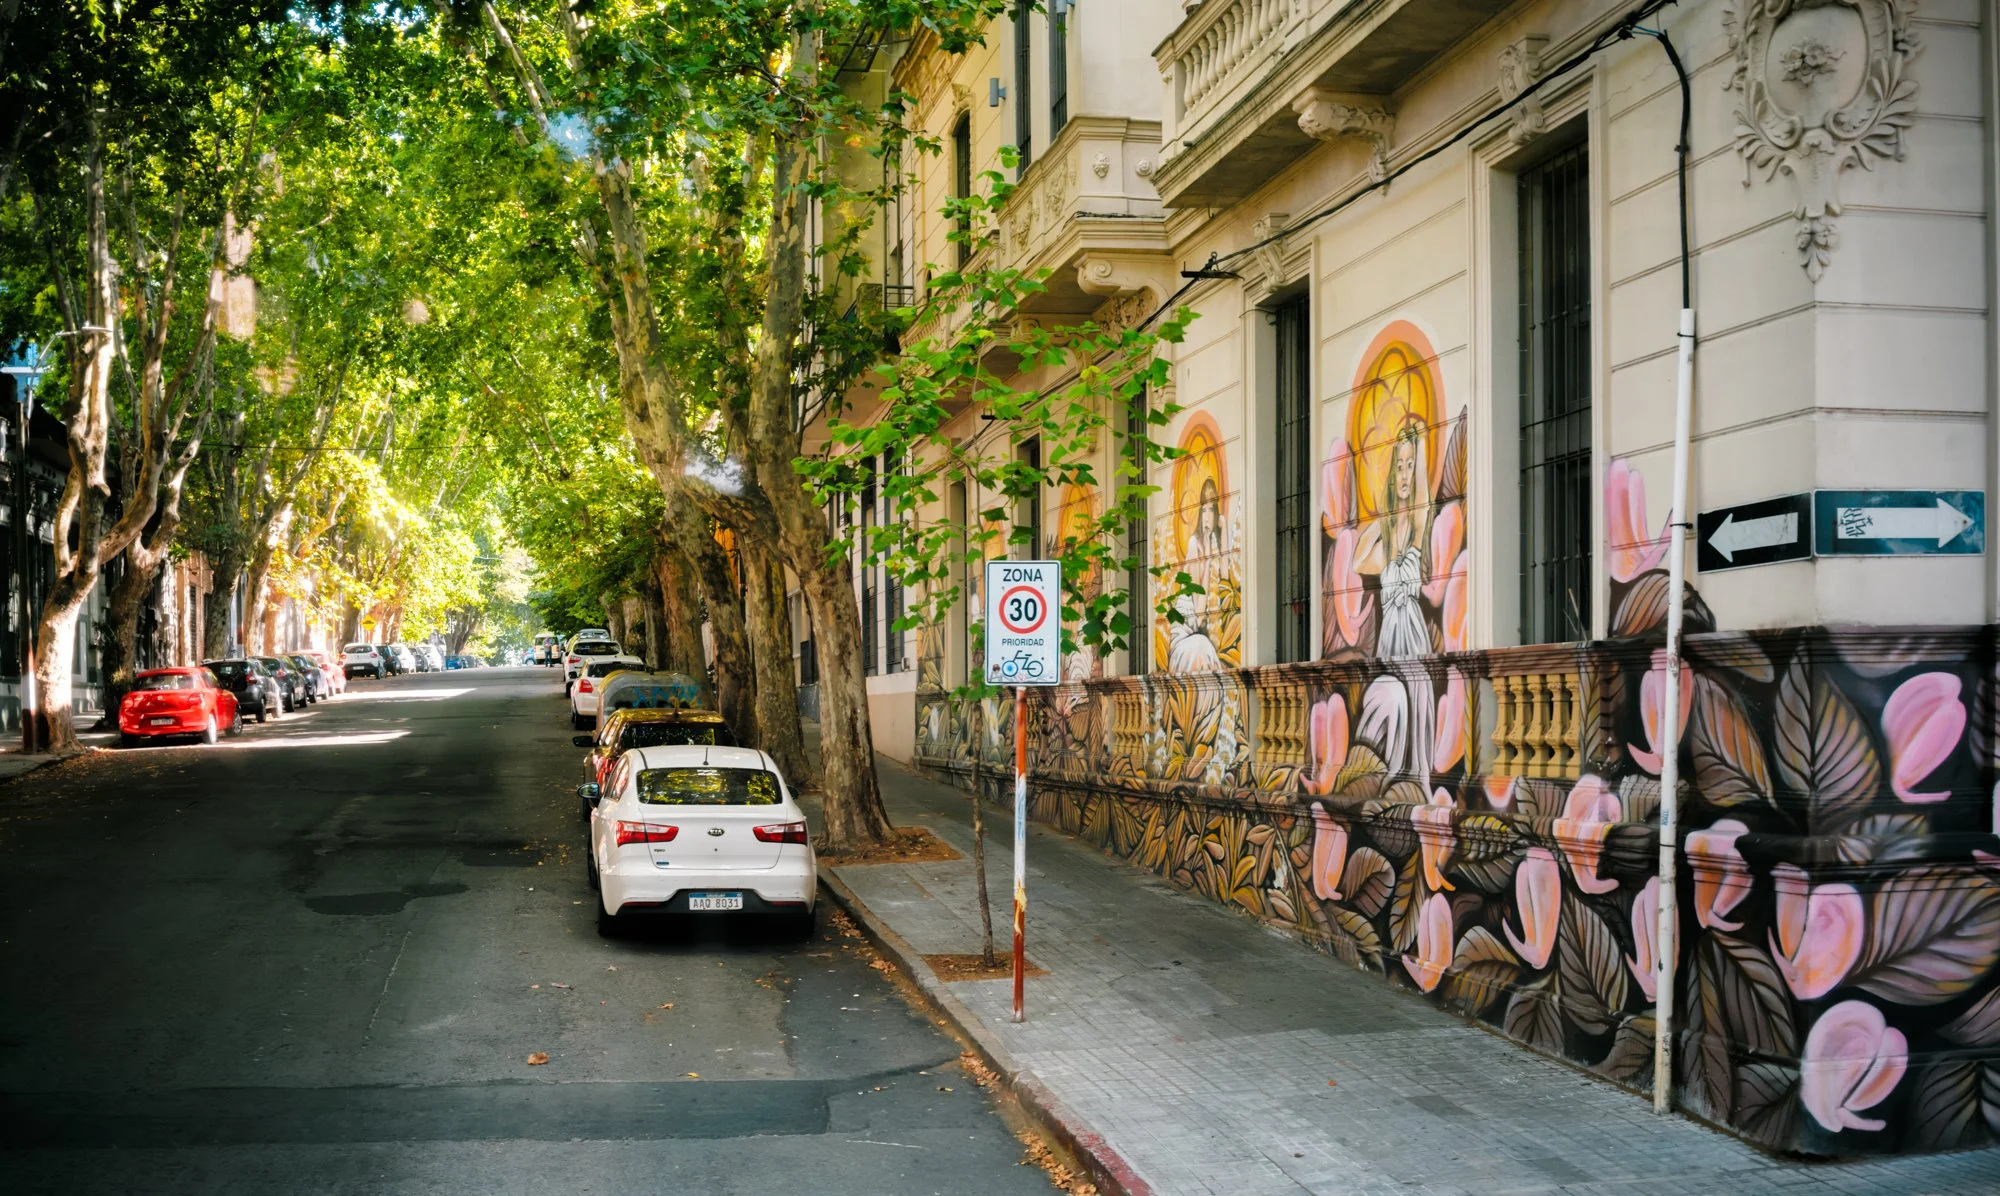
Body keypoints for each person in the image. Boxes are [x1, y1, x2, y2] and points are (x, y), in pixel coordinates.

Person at [1354, 419, 1433, 659]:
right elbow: (1358, 562)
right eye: (1398, 467)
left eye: (1410, 465)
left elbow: (1423, 505)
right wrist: (1384, 519)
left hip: (1414, 641)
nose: (1405, 475)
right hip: (1387, 644)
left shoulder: (1415, 529)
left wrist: (1421, 441)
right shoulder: (1386, 547)